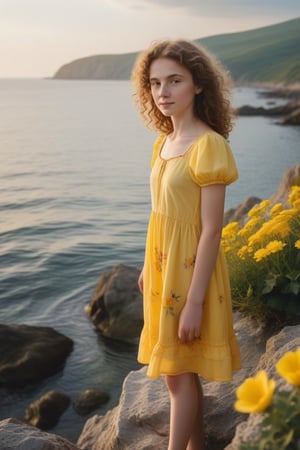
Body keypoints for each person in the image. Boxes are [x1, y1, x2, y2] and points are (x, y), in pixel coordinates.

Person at [131, 39, 241, 450]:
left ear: (198, 85)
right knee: (182, 368)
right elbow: (162, 213)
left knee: (176, 375)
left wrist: (195, 301)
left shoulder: (208, 145)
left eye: (174, 80)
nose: (163, 92)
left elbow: (212, 230)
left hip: (192, 274)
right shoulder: (163, 143)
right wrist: (147, 266)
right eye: (156, 83)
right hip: (163, 268)